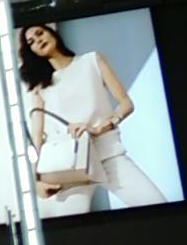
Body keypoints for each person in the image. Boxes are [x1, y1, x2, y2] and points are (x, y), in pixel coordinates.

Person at [18, 24, 166, 217]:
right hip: (69, 166)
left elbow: (126, 104)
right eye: (31, 42)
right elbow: (36, 136)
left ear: (52, 33)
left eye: (40, 33)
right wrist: (34, 179)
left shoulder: (91, 61)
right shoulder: (40, 87)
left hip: (108, 155)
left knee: (158, 206)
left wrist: (99, 128)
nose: (38, 40)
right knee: (70, 231)